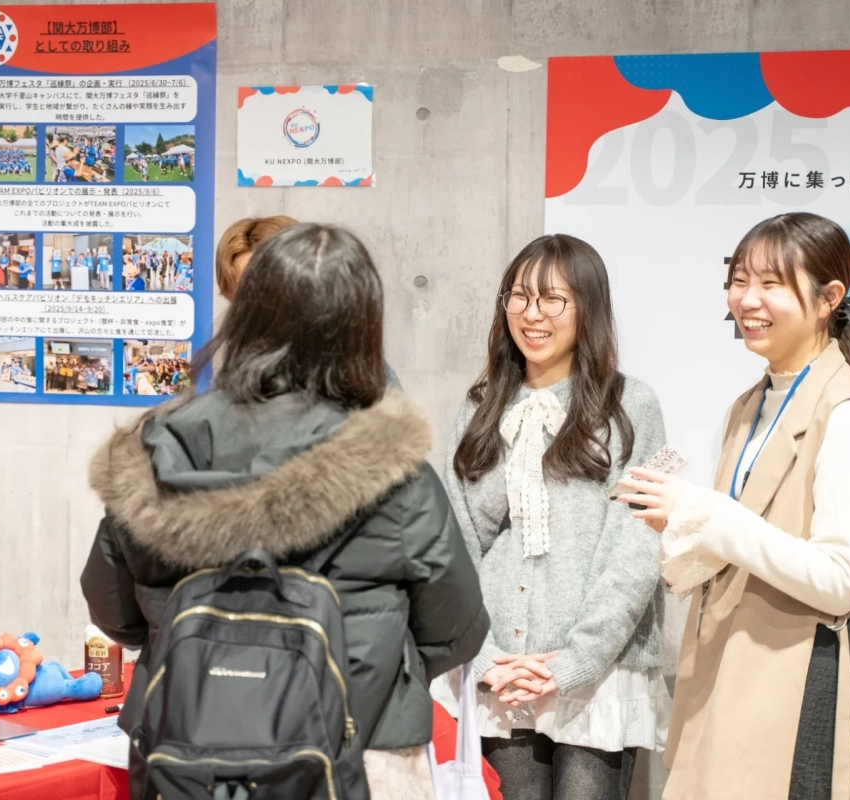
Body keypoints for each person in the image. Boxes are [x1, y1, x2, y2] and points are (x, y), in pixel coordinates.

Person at [82, 222, 489, 799]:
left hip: (186, 752)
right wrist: (367, 668)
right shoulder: (394, 470)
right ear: (360, 328)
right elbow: (457, 624)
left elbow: (113, 608)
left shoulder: (158, 447)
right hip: (361, 750)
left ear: (245, 315)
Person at [613, 212, 850, 799]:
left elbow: (838, 580)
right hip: (728, 667)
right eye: (739, 279)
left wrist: (704, 515)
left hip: (798, 675)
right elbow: (732, 544)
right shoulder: (748, 405)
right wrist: (676, 524)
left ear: (829, 298)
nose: (746, 299)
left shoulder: (846, 410)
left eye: (771, 283)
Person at [444, 234, 669, 800]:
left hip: (599, 672)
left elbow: (634, 548)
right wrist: (488, 656)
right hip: (503, 670)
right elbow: (454, 543)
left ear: (586, 308)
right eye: (518, 297)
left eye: (552, 300)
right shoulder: (480, 406)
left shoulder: (630, 405)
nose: (531, 314)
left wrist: (575, 661)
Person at [215, 215, 403, 389]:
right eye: (243, 294)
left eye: (268, 290)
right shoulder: (226, 377)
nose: (256, 307)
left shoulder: (364, 377)